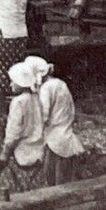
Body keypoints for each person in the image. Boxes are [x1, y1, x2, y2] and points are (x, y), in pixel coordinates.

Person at [0, 58, 47, 194]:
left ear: (20, 83)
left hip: (22, 155)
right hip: (39, 152)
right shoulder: (38, 98)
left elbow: (13, 133)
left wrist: (4, 153)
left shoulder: (18, 102)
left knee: (7, 192)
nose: (11, 84)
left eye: (13, 81)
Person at [36, 57, 85, 185]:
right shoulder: (60, 84)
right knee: (63, 178)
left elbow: (44, 116)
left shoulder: (46, 89)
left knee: (53, 180)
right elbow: (70, 109)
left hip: (55, 139)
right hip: (64, 133)